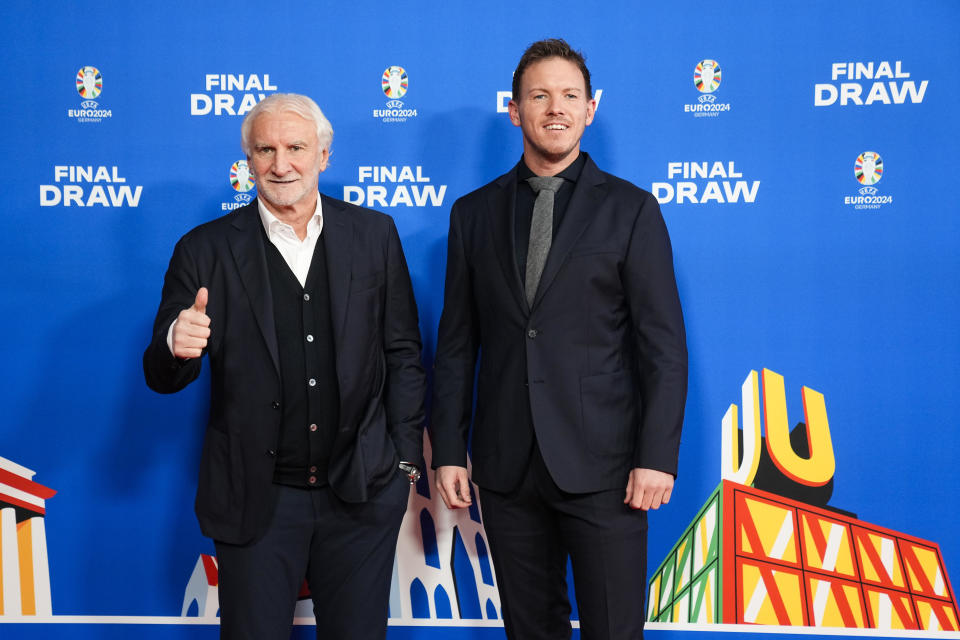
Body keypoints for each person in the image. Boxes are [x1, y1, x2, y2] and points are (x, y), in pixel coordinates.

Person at [143, 93, 426, 640]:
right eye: (265, 149)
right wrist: (175, 345)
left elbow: (403, 354)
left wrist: (405, 463)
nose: (281, 164)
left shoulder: (374, 235)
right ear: (247, 161)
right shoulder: (202, 250)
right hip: (256, 500)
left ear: (324, 155)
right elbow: (162, 374)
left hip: (362, 496)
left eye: (296, 147)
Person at [431, 39, 687, 639]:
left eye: (569, 95)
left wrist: (656, 457)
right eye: (539, 95)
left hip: (608, 470)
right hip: (505, 467)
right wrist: (447, 448)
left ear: (590, 109)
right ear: (515, 109)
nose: (555, 108)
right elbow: (456, 345)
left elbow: (663, 348)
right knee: (529, 628)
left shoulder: (632, 210)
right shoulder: (473, 215)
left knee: (613, 628)